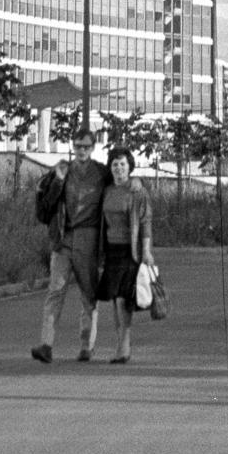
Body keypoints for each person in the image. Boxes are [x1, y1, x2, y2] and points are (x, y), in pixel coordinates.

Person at [31, 129, 112, 364]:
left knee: (89, 294)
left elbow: (120, 182)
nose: (82, 151)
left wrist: (135, 182)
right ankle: (46, 344)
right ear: (72, 146)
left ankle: (87, 346)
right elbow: (45, 204)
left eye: (86, 147)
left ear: (93, 147)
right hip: (64, 238)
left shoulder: (101, 173)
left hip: (89, 239)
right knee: (55, 291)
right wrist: (57, 179)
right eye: (78, 146)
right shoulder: (62, 170)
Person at [96, 145, 154, 365]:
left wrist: (146, 251)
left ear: (130, 167)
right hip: (111, 250)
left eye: (122, 164)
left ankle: (124, 345)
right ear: (110, 168)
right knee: (114, 299)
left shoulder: (137, 190)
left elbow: (146, 221)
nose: (118, 168)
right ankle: (121, 342)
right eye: (114, 164)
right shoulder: (108, 189)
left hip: (130, 251)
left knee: (123, 300)